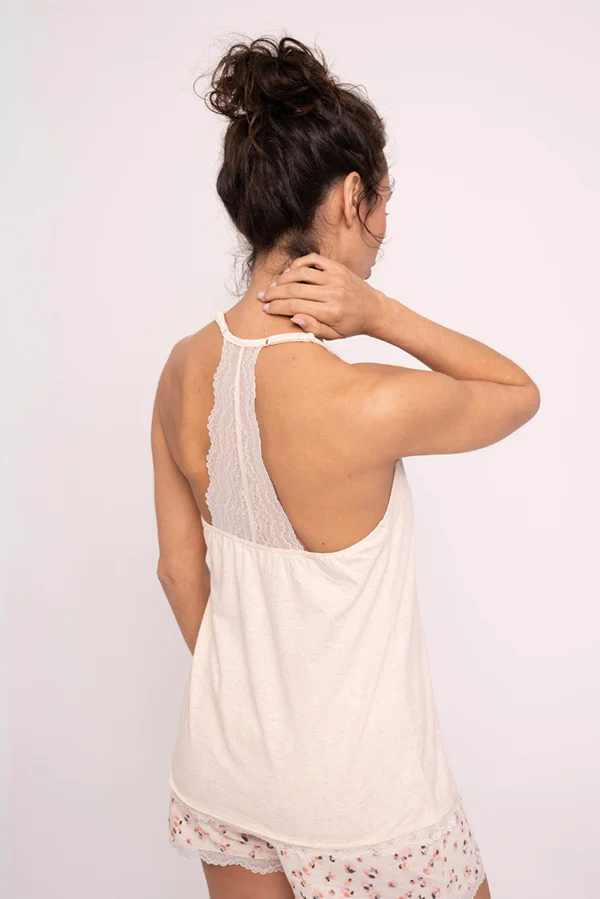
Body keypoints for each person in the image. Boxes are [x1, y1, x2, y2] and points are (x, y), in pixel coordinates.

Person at [152, 35, 539, 899]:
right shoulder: (364, 401)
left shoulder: (179, 370)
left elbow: (179, 572)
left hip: (225, 770)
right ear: (350, 195)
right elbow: (518, 393)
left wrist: (254, 708)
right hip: (366, 796)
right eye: (383, 202)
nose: (384, 231)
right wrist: (380, 313)